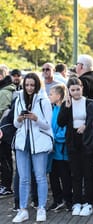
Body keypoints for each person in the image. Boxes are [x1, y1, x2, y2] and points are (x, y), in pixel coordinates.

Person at [12, 73, 53, 223]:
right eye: (27, 85)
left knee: (40, 177)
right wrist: (19, 119)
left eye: (32, 85)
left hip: (39, 143)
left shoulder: (44, 101)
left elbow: (48, 125)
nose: (29, 88)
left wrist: (36, 118)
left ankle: (41, 207)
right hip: (22, 143)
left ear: (37, 86)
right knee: (23, 178)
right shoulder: (19, 100)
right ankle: (23, 210)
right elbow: (16, 125)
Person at [57, 77, 93, 217]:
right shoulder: (67, 104)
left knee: (88, 172)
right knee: (75, 173)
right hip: (72, 140)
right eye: (72, 90)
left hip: (86, 140)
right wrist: (66, 107)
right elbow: (60, 122)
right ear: (69, 91)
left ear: (82, 88)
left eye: (78, 89)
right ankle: (77, 201)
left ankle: (88, 202)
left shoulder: (90, 103)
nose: (75, 92)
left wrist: (86, 126)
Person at [47, 84, 72, 212]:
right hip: (52, 151)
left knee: (65, 176)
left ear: (59, 96)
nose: (49, 96)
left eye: (51, 94)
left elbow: (65, 131)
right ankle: (57, 200)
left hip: (61, 151)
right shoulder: (52, 109)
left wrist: (53, 139)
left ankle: (68, 200)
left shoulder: (64, 109)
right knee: (53, 176)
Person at [0, 72, 16, 198]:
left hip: (3, 131)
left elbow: (4, 112)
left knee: (4, 158)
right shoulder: (6, 90)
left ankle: (6, 186)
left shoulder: (4, 92)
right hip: (4, 130)